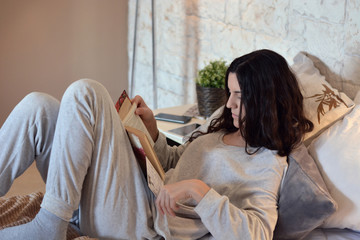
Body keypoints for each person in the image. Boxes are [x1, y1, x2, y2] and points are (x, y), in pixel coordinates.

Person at [0, 49, 313, 240]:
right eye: (229, 92)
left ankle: (50, 224)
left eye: (239, 96)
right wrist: (150, 131)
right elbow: (174, 162)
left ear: (265, 101)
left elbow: (257, 234)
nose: (228, 103)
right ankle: (59, 213)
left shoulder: (268, 161)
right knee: (38, 106)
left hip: (146, 222)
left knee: (87, 93)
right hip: (136, 192)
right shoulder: (221, 125)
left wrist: (199, 192)